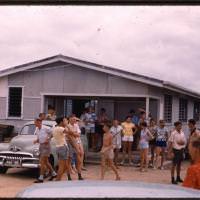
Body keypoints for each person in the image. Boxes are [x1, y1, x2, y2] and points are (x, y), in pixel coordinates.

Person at [33, 118, 57, 183]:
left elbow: (52, 133)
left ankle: (41, 178)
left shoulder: (45, 128)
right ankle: (54, 174)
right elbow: (39, 137)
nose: (34, 123)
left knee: (42, 162)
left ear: (39, 122)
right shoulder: (37, 129)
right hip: (41, 145)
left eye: (35, 122)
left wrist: (48, 139)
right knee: (46, 162)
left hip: (46, 146)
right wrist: (36, 141)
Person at [52, 117, 71, 181]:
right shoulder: (61, 128)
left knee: (64, 165)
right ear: (61, 122)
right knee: (62, 166)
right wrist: (67, 125)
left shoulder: (55, 128)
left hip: (58, 147)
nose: (66, 121)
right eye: (64, 121)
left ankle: (60, 179)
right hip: (62, 147)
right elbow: (70, 132)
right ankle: (57, 180)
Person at [66, 115, 84, 180]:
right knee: (69, 160)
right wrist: (74, 133)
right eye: (73, 119)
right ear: (69, 119)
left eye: (75, 119)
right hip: (70, 144)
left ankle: (79, 175)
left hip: (77, 142)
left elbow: (78, 135)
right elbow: (69, 135)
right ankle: (69, 176)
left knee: (79, 160)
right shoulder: (67, 126)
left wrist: (73, 133)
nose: (74, 120)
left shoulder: (76, 125)